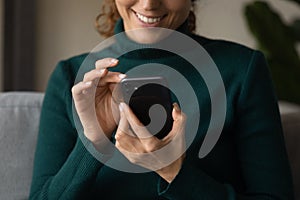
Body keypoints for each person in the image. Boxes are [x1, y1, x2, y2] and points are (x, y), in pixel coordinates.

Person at [29, 0, 295, 199]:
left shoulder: (242, 70)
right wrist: (94, 143)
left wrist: (174, 172)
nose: (149, 4)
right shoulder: (71, 78)